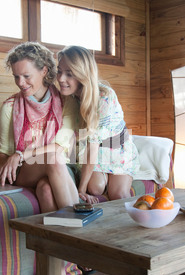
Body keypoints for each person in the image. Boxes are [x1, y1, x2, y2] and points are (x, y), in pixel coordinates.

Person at [0, 42, 79, 213]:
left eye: (26, 76)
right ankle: (82, 228)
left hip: (61, 167)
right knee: (52, 158)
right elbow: (4, 152)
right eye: (16, 76)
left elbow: (59, 146)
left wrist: (20, 154)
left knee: (45, 190)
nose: (20, 83)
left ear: (44, 71)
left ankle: (57, 238)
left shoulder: (66, 102)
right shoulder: (10, 107)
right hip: (26, 170)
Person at [56, 45, 140, 205]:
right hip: (92, 149)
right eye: (59, 71)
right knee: (95, 188)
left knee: (119, 195)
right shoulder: (71, 98)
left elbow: (92, 148)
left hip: (116, 147)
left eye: (69, 74)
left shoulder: (104, 97)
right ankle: (104, 181)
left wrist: (80, 190)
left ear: (83, 74)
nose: (61, 79)